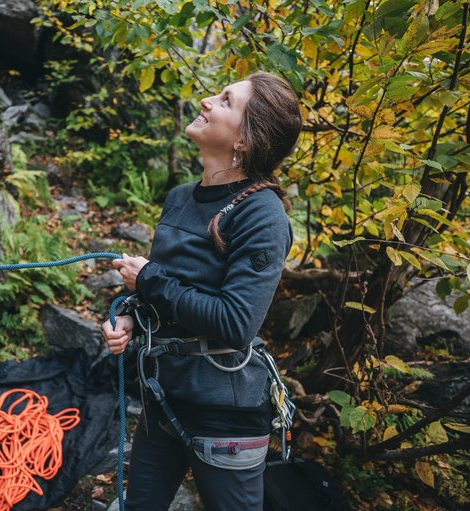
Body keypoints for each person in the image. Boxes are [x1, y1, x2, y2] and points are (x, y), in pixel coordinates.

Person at [100, 70, 303, 511]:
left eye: (226, 101)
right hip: (162, 393)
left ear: (245, 141)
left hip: (225, 411)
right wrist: (131, 318)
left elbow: (235, 323)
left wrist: (149, 279)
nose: (207, 100)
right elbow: (168, 292)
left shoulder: (262, 216)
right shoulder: (179, 198)